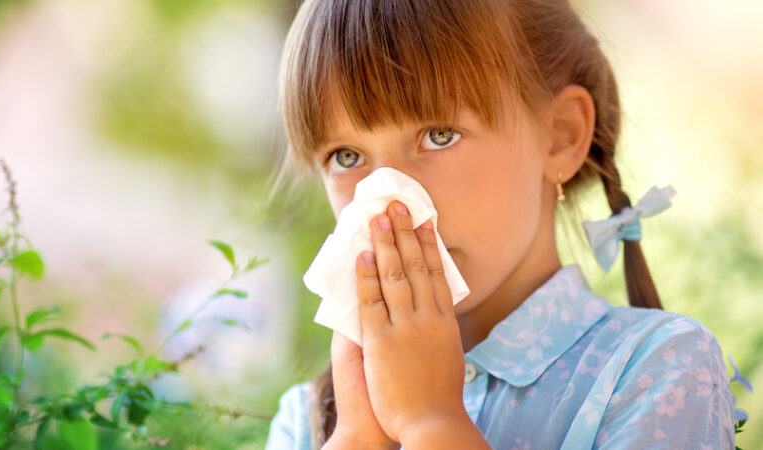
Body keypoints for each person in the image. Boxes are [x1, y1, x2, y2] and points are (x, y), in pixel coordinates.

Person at [264, 0, 737, 448]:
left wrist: (431, 422)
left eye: (439, 135)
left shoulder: (659, 368)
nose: (390, 205)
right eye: (347, 157)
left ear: (560, 137)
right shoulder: (310, 421)